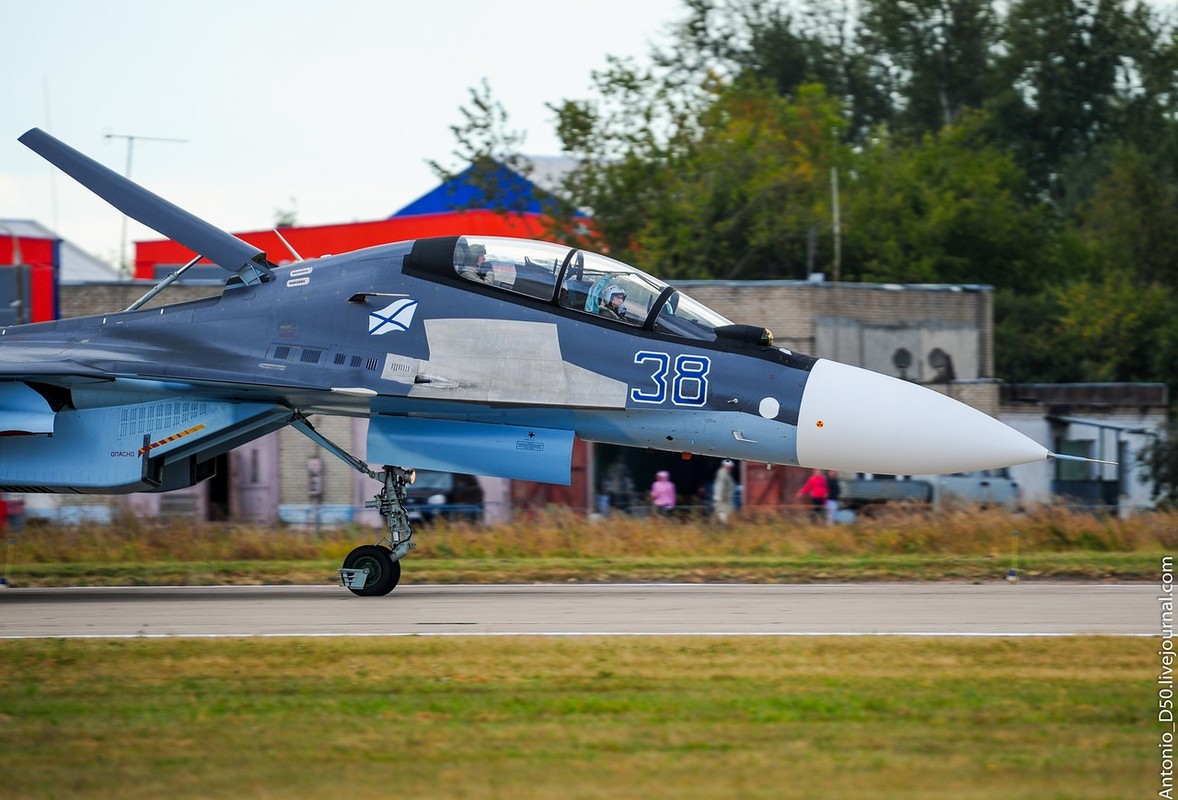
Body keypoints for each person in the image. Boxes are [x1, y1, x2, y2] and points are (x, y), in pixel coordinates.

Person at [712, 460, 736, 525]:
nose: (730, 468)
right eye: (729, 467)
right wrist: (719, 496)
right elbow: (720, 484)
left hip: (726, 498)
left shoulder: (726, 473)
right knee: (722, 512)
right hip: (723, 498)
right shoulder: (722, 473)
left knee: (725, 512)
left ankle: (724, 525)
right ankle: (724, 526)